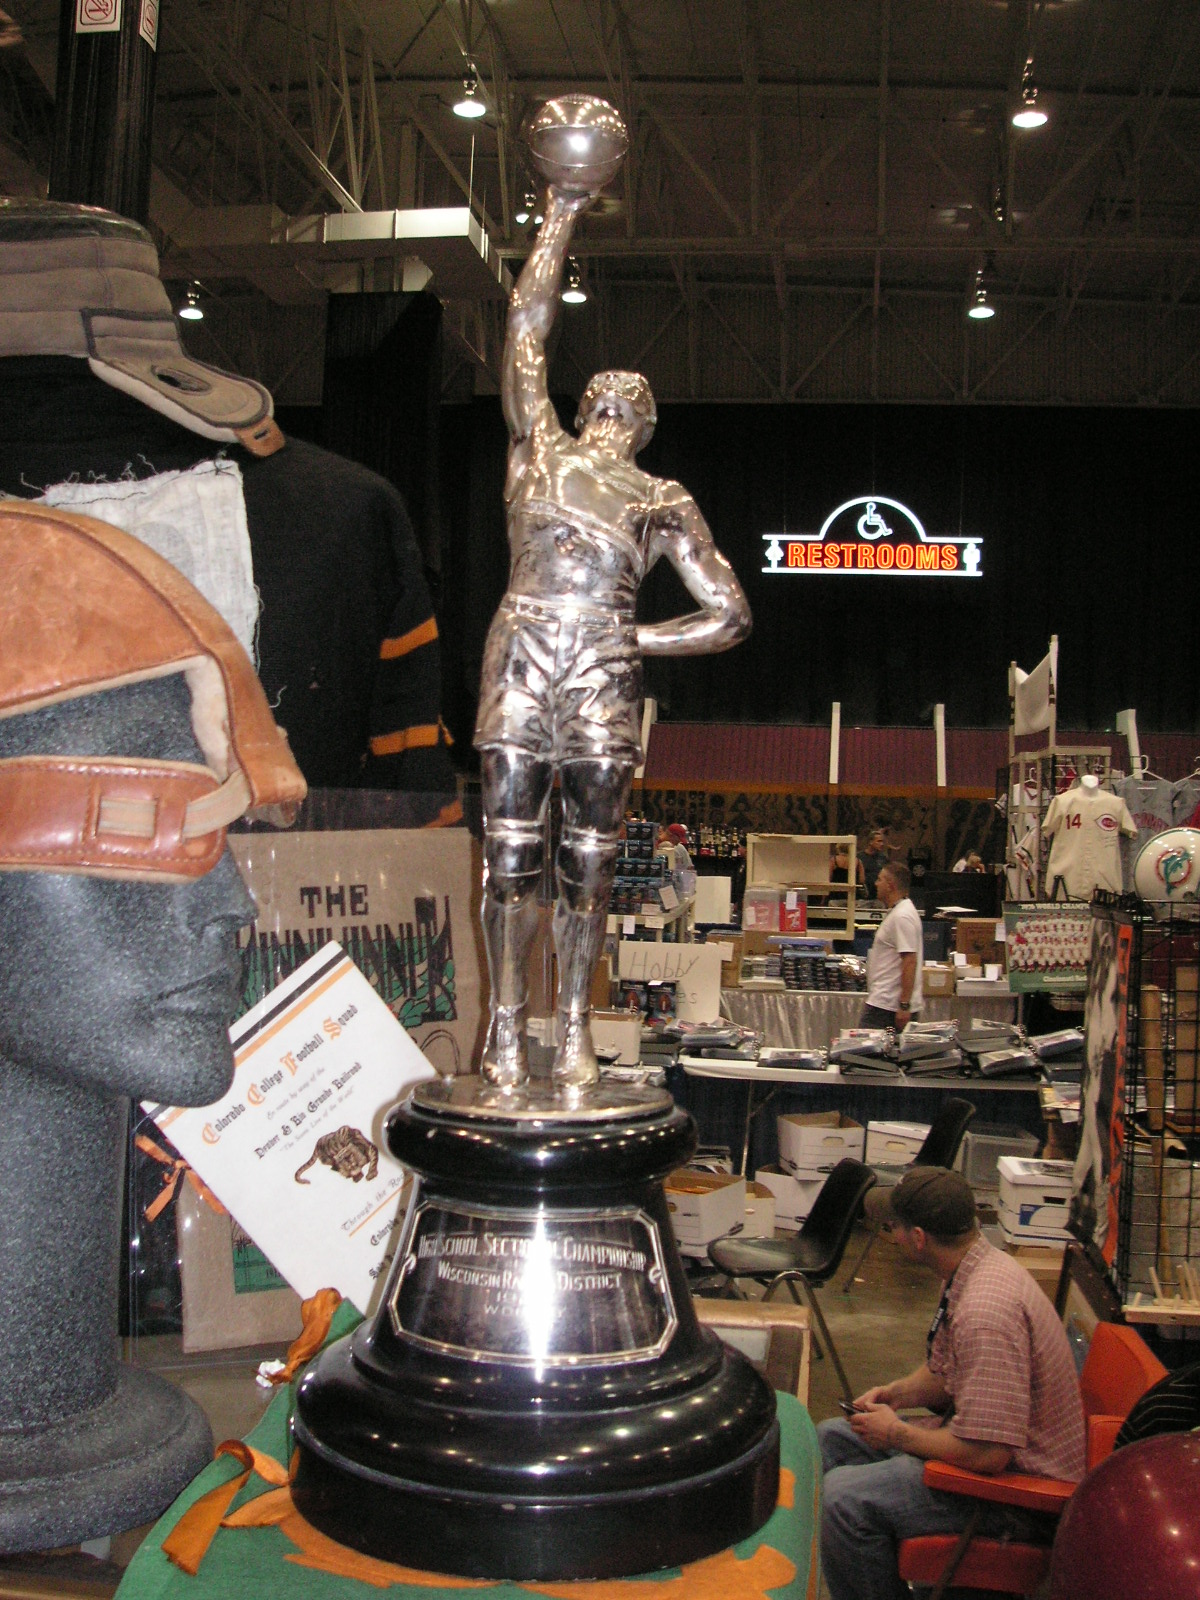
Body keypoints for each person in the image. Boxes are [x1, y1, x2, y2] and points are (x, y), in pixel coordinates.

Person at [474, 179, 751, 1091]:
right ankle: (507, 1027)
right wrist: (560, 210)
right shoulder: (538, 448)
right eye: (607, 401)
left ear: (641, 425)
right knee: (511, 850)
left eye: (627, 408)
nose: (615, 413)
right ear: (593, 406)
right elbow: (525, 326)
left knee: (586, 860)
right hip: (526, 648)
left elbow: (732, 614)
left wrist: (636, 642)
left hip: (597, 662)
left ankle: (571, 1029)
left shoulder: (659, 497)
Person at [818, 1167, 1086, 1600]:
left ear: (918, 1238)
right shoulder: (971, 1268)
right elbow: (948, 1374)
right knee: (831, 1438)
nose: (892, 1237)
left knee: (843, 1501)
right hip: (989, 1455)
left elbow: (988, 1453)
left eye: (894, 1228)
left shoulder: (985, 1312)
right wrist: (897, 1393)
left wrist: (897, 1433)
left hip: (1020, 1497)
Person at [860, 862, 923, 1029]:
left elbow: (909, 960)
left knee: (864, 1046)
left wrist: (904, 1005)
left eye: (879, 879)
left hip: (887, 1007)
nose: (875, 883)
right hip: (885, 1003)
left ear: (890, 885)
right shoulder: (898, 912)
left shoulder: (902, 916)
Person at [859, 827, 891, 900]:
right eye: (879, 841)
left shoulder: (883, 858)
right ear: (871, 842)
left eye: (882, 842)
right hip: (863, 898)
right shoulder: (859, 857)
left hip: (879, 897)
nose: (882, 844)